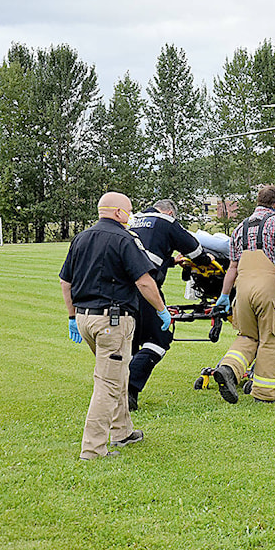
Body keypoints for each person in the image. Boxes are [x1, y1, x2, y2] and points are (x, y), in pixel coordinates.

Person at [59, 192, 172, 460]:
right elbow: (144, 281)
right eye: (129, 212)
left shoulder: (81, 238)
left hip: (85, 319)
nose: (130, 217)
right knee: (108, 383)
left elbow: (66, 282)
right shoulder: (124, 238)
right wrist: (162, 310)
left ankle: (123, 432)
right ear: (119, 213)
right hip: (112, 321)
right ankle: (93, 449)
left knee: (118, 374)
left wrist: (73, 316)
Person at [212, 186, 275, 404]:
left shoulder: (240, 227)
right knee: (273, 338)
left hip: (243, 290)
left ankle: (228, 369)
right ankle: (264, 393)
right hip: (269, 289)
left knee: (247, 336)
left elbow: (232, 267)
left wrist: (224, 295)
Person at [126, 199, 210, 410]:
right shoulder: (166, 221)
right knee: (158, 339)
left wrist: (171, 261)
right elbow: (196, 251)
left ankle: (116, 391)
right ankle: (128, 387)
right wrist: (206, 262)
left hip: (121, 289)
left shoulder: (132, 220)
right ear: (171, 212)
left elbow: (143, 253)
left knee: (131, 342)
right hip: (146, 288)